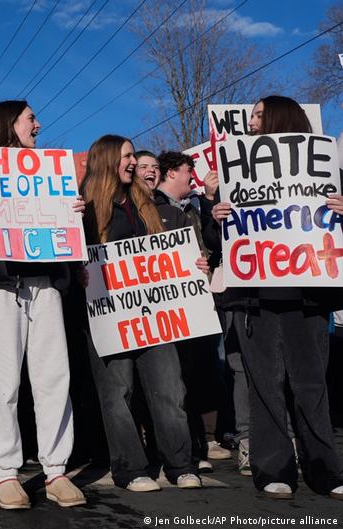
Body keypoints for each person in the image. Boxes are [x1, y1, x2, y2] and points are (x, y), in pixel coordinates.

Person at [0, 100, 86, 510]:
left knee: (53, 377)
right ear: (10, 123)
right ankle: (6, 474)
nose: (38, 125)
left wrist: (72, 212)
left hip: (43, 284)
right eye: (31, 118)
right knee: (4, 383)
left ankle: (56, 469)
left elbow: (63, 228)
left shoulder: (49, 171)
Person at [212, 95, 343, 500]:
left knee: (311, 383)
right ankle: (274, 468)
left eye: (257, 115)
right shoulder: (235, 173)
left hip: (308, 292)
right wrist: (215, 212)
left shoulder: (326, 169)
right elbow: (225, 240)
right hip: (255, 296)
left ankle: (324, 469)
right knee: (265, 384)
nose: (250, 122)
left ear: (279, 120)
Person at [80, 134, 204, 493]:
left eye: (134, 155)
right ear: (106, 161)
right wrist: (79, 271)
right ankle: (130, 469)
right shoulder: (85, 210)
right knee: (118, 392)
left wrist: (191, 264)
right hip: (107, 317)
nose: (133, 162)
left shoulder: (145, 205)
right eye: (127, 156)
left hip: (153, 315)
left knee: (169, 388)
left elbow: (168, 255)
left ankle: (180, 465)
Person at [153, 151, 230, 471]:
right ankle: (184, 443)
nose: (193, 177)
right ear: (171, 173)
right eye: (188, 170)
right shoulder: (153, 208)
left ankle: (206, 437)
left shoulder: (198, 206)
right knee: (177, 374)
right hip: (171, 304)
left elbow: (213, 244)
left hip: (202, 297)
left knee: (207, 367)